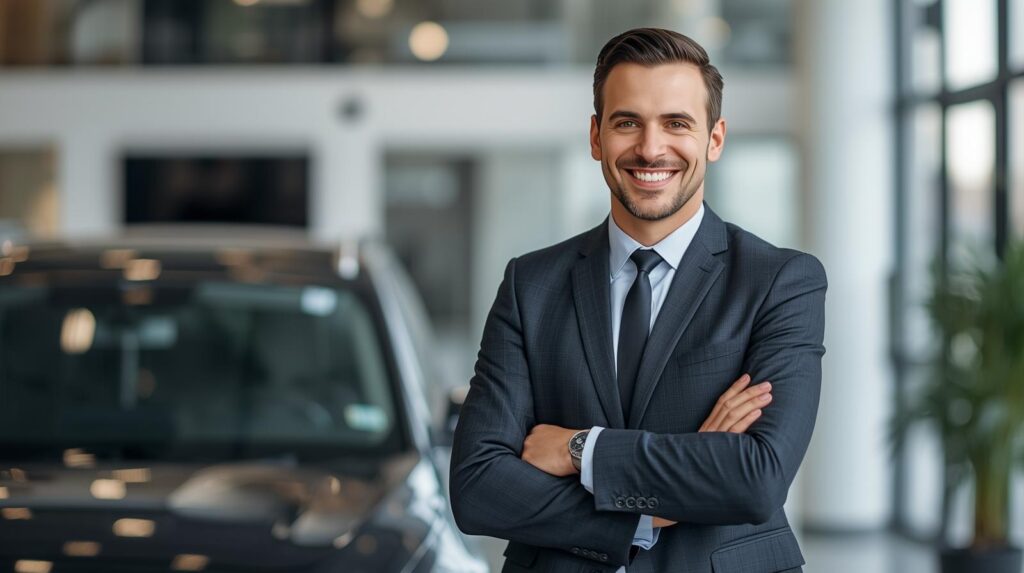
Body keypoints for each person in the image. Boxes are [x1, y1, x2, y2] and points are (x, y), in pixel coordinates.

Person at [450, 27, 826, 573]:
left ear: (714, 139)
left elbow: (756, 477)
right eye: (628, 123)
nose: (651, 148)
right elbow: (478, 486)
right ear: (597, 137)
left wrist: (582, 449)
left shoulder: (779, 281)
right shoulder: (530, 285)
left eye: (677, 123)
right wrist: (649, 513)